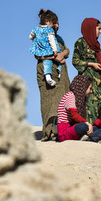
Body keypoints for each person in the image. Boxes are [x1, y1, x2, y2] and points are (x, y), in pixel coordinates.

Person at [34, 10, 71, 141]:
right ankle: (48, 131)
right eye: (55, 23)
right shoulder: (40, 36)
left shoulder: (58, 38)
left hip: (61, 73)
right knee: (48, 103)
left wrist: (62, 54)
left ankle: (59, 130)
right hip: (46, 73)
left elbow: (67, 50)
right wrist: (55, 57)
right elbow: (37, 54)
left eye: (58, 23)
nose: (57, 26)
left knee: (62, 101)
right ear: (47, 22)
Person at [72, 17, 101, 123]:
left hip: (100, 80)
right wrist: (90, 64)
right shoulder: (80, 42)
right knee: (90, 105)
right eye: (99, 29)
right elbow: (75, 61)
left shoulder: (97, 45)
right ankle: (91, 130)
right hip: (88, 79)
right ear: (91, 28)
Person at [57, 75, 101, 142]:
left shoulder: (80, 99)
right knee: (83, 127)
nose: (91, 91)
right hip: (65, 131)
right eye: (90, 88)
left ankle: (89, 139)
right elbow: (75, 115)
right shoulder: (70, 96)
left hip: (73, 127)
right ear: (83, 87)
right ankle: (90, 138)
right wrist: (87, 123)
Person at [29, 9, 63, 86]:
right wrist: (55, 51)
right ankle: (51, 73)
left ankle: (48, 75)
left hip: (39, 49)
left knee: (46, 62)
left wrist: (35, 40)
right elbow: (52, 41)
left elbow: (30, 36)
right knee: (49, 62)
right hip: (47, 49)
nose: (54, 25)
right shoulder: (49, 30)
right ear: (47, 21)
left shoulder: (36, 29)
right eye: (53, 23)